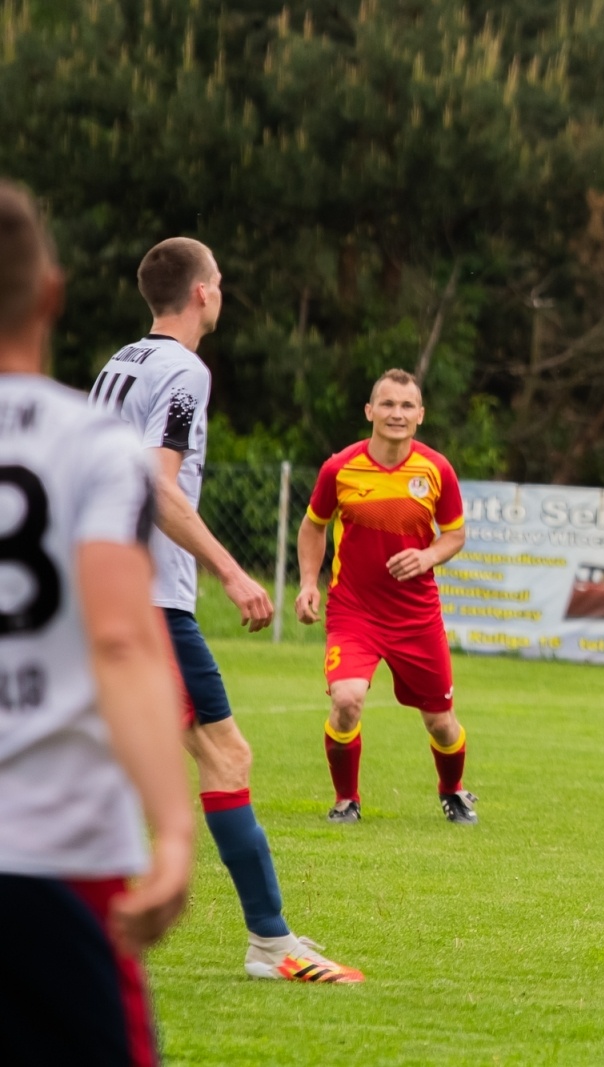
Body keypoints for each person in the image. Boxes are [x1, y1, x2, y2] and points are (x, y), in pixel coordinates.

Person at [93, 237, 361, 982]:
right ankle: (270, 943)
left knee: (132, 757)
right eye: (220, 282)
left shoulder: (122, 361)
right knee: (225, 755)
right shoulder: (183, 369)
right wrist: (232, 571)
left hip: (108, 587)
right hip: (150, 598)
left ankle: (269, 937)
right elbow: (157, 482)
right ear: (204, 293)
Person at [0, 180, 193, 1065]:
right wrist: (174, 831)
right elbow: (120, 637)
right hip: (58, 852)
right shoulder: (94, 445)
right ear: (52, 293)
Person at [295, 369, 474, 824]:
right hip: (354, 611)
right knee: (347, 699)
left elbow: (454, 535)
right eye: (388, 404)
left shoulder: (437, 470)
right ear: (370, 411)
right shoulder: (340, 467)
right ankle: (346, 800)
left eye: (407, 406)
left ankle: (452, 790)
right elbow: (314, 525)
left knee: (440, 721)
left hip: (416, 617)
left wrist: (427, 556)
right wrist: (308, 584)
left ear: (420, 416)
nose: (397, 413)